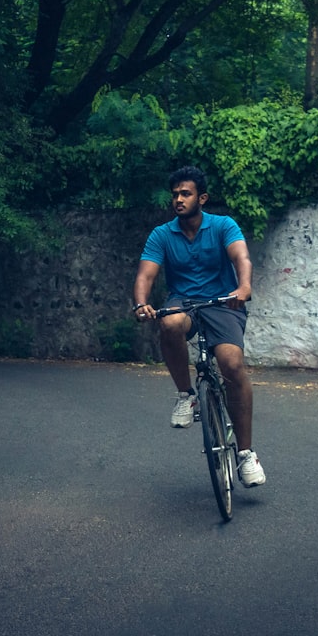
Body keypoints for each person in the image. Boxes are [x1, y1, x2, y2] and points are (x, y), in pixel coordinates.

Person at [132, 165, 266, 487]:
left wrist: (243, 286)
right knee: (170, 322)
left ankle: (246, 454)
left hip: (224, 303)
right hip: (185, 302)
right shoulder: (162, 234)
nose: (178, 199)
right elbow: (145, 275)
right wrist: (141, 302)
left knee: (231, 365)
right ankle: (185, 395)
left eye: (186, 193)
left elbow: (241, 258)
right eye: (175, 194)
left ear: (201, 198)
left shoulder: (223, 226)